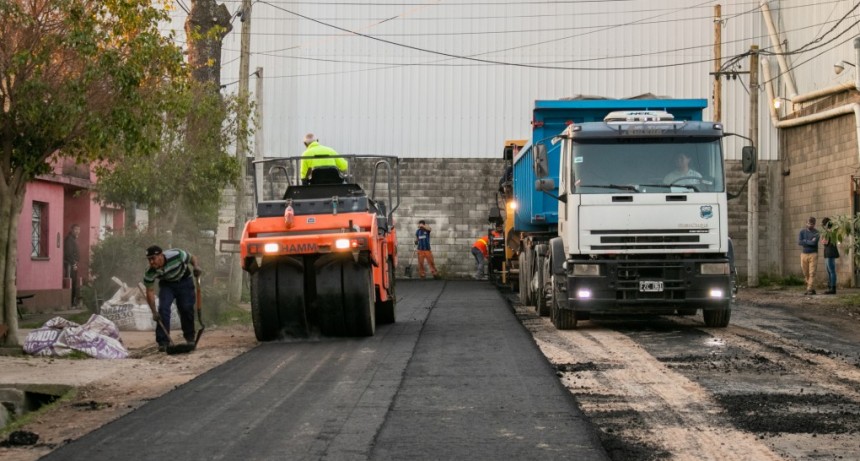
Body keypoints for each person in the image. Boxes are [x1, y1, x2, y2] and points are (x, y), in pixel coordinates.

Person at [143, 245, 203, 351]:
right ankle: (163, 342)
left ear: (161, 255)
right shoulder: (150, 272)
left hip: (184, 281)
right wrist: (154, 312)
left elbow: (192, 258)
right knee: (163, 310)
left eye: (153, 258)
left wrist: (196, 266)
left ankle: (190, 338)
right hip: (167, 285)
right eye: (149, 259)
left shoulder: (177, 255)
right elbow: (150, 291)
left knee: (186, 308)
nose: (151, 262)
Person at [798, 216, 820, 295]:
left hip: (813, 254)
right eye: (809, 223)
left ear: (814, 224)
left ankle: (809, 288)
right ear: (806, 223)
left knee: (812, 272)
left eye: (812, 224)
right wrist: (809, 241)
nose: (810, 225)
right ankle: (811, 288)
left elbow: (814, 243)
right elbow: (799, 242)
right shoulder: (802, 232)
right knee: (805, 273)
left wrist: (805, 241)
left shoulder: (817, 233)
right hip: (803, 254)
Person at [63, 224, 81, 307]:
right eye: (75, 229)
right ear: (71, 230)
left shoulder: (74, 239)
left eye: (78, 229)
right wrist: (73, 263)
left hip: (74, 264)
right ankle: (70, 302)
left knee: (74, 283)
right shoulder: (69, 240)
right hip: (70, 265)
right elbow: (68, 254)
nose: (77, 231)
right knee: (71, 282)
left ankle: (73, 301)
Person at [821, 217, 840, 294]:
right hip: (827, 252)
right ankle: (830, 287)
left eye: (823, 224)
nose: (822, 226)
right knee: (829, 271)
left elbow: (824, 242)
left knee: (831, 271)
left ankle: (833, 288)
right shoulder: (829, 231)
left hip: (830, 252)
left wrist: (823, 237)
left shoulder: (831, 231)